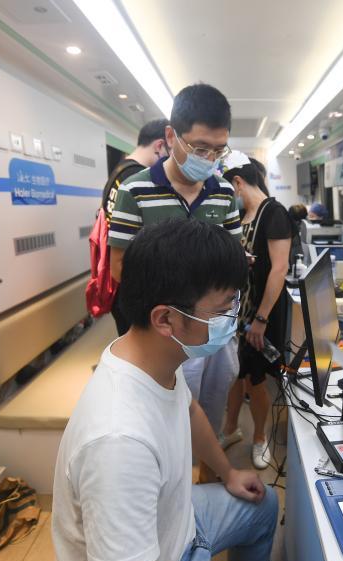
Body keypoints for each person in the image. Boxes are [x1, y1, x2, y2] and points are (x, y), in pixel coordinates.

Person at [53, 219, 278, 561]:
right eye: (223, 309)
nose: (232, 319)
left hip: (178, 529)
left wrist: (227, 473)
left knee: (264, 504)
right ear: (165, 319)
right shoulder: (118, 443)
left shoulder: (153, 359)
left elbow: (187, 409)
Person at [108, 83, 241, 435]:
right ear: (171, 137)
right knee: (166, 414)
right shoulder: (134, 190)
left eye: (218, 150)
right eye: (199, 147)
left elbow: (233, 264)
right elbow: (120, 268)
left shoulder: (224, 192)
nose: (208, 158)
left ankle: (209, 468)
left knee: (211, 403)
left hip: (212, 325)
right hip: (166, 330)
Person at [218, 153, 291, 469]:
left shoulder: (273, 213)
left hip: (260, 315)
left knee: (255, 381)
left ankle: (260, 437)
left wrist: (260, 319)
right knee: (233, 376)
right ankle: (230, 429)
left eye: (228, 189)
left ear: (237, 182)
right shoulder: (240, 215)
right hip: (235, 316)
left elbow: (278, 270)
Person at [99, 118, 170, 335]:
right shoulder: (136, 180)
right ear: (160, 145)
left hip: (122, 279)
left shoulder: (118, 172)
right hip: (134, 282)